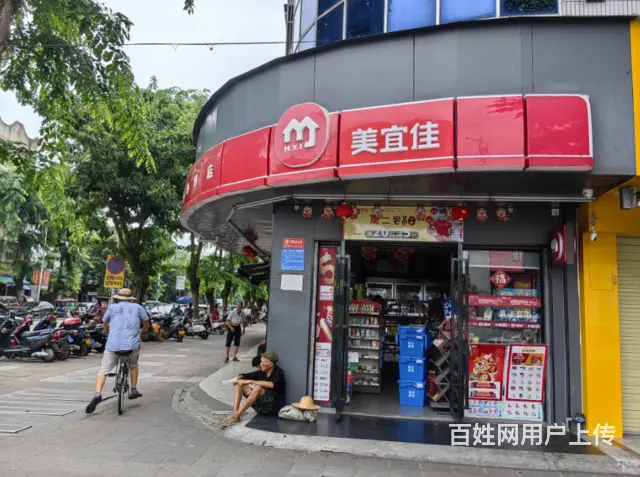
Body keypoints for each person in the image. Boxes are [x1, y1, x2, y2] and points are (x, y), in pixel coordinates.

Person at [86, 288, 150, 414]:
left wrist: (108, 333)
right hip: (132, 345)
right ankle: (133, 390)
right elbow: (146, 322)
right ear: (130, 298)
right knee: (133, 366)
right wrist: (143, 331)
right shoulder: (138, 307)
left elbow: (105, 323)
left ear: (118, 298)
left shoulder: (112, 308)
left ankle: (97, 393)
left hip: (113, 344)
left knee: (103, 370)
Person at [221, 350, 285, 426]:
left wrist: (250, 381)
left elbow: (271, 384)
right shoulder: (263, 371)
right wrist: (239, 379)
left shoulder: (278, 372)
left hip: (272, 408)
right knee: (240, 384)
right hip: (260, 406)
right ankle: (235, 414)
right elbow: (247, 375)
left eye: (262, 362)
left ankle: (236, 415)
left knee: (258, 387)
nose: (260, 364)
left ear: (270, 364)